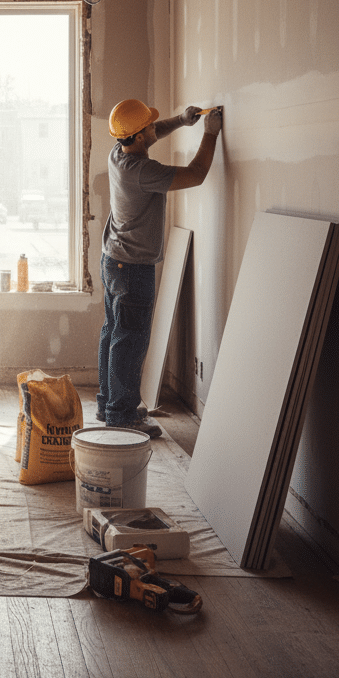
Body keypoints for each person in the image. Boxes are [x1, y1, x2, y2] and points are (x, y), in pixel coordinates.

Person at [98, 100, 223, 438]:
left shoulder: (119, 152)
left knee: (114, 332)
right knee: (131, 340)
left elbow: (152, 133)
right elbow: (196, 175)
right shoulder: (143, 172)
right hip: (132, 268)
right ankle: (122, 416)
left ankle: (109, 403)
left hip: (113, 260)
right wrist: (210, 135)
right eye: (150, 126)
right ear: (137, 136)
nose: (155, 128)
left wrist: (182, 122)